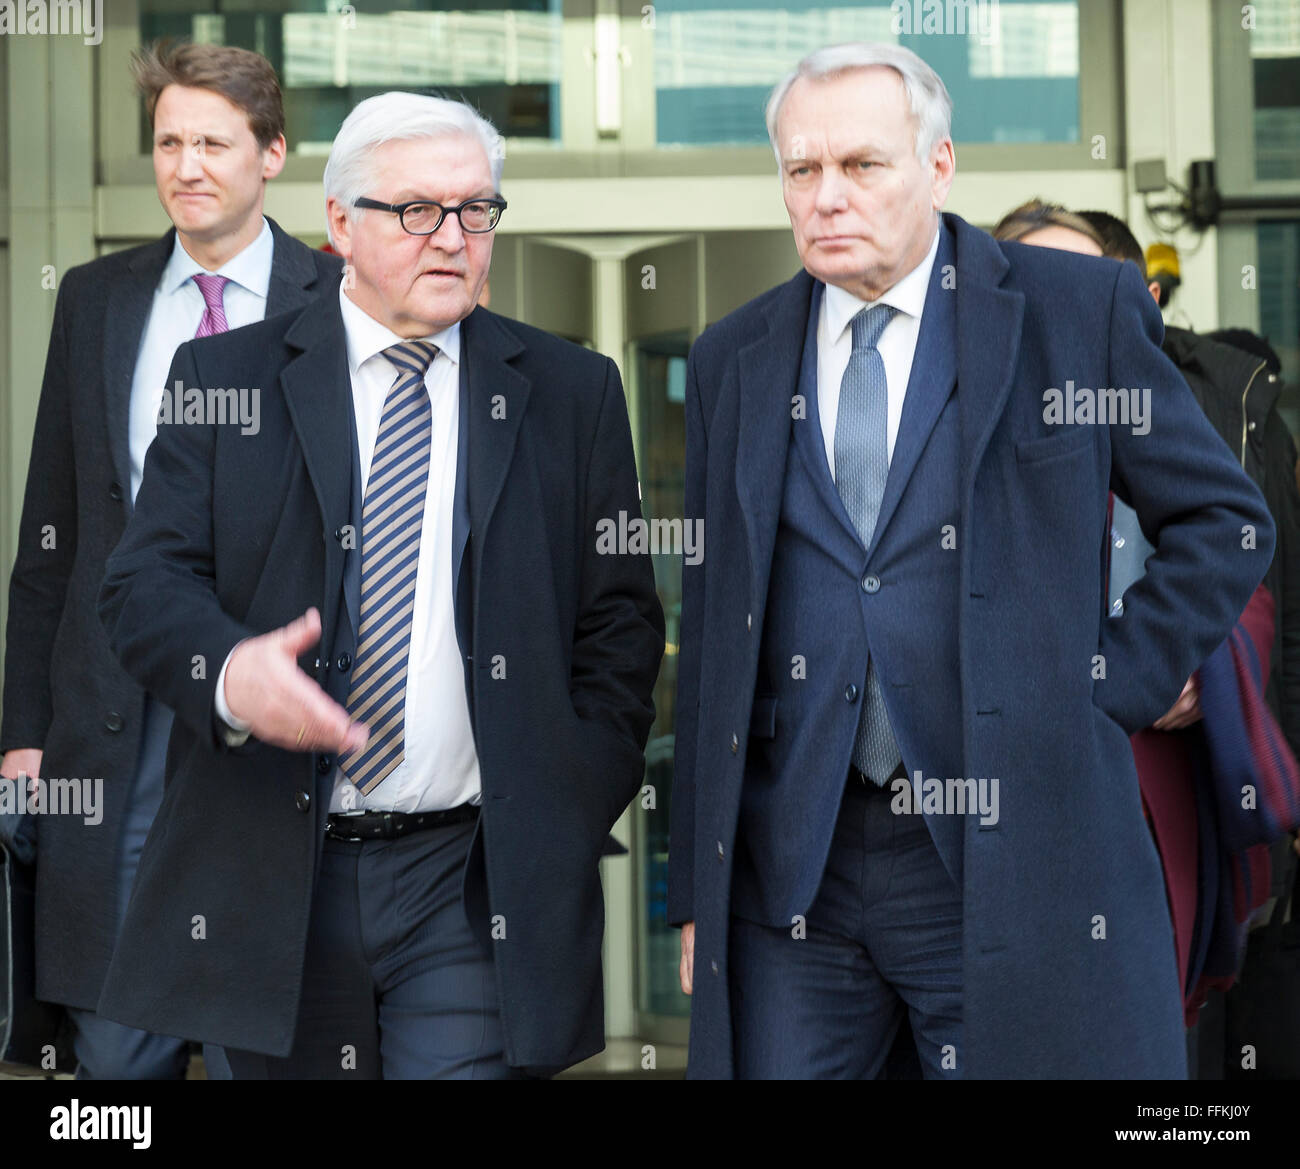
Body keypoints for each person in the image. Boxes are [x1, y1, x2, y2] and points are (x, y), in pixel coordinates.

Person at [667, 41, 1274, 1079]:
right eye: (801, 170)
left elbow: (1224, 519)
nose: (826, 196)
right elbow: (715, 617)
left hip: (1009, 851)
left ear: (939, 164)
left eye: (861, 165)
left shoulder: (1073, 311)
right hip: (792, 873)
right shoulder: (735, 352)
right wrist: (694, 890)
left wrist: (1106, 683)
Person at [94, 91, 665, 1078]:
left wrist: (567, 797)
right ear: (341, 224)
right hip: (276, 871)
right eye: (415, 211)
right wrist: (231, 671)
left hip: (469, 876)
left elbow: (617, 623)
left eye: (473, 210)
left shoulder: (573, 392)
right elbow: (142, 585)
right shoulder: (227, 374)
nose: (451, 237)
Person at [0, 40, 340, 1079]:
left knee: (258, 1028)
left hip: (264, 711)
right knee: (112, 1046)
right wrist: (21, 736)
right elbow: (51, 531)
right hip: (110, 717)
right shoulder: (97, 298)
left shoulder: (335, 298)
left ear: (272, 153)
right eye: (168, 142)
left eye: (213, 142)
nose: (186, 165)